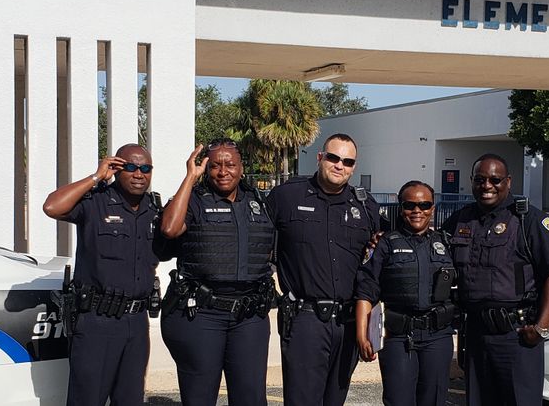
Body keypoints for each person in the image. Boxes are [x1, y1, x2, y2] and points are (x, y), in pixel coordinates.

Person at [442, 154, 549, 406]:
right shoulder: (460, 220)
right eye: (480, 179)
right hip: (475, 335)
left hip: (517, 336)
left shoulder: (528, 220)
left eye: (495, 179)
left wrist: (542, 328)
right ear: (471, 181)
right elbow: (430, 249)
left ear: (508, 182)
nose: (487, 186)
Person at [266, 133, 385, 406]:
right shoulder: (286, 196)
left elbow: (383, 251)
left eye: (347, 161)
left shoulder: (366, 206)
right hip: (306, 320)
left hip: (349, 322)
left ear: (354, 167)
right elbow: (258, 243)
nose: (339, 165)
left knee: (335, 400)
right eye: (333, 157)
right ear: (320, 158)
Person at [156, 140, 277, 406]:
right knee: (199, 396)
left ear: (242, 168)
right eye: (215, 166)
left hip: (249, 316)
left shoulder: (259, 202)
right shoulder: (195, 200)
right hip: (202, 314)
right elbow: (169, 229)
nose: (223, 171)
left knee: (251, 397)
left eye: (230, 164)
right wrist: (190, 177)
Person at [42, 144, 161, 406]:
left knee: (130, 399)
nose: (139, 174)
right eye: (130, 167)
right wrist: (96, 177)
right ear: (117, 169)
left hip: (137, 321)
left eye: (145, 168)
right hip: (98, 320)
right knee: (88, 398)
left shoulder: (154, 210)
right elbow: (52, 207)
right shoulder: (95, 202)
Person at [355, 180, 456, 406]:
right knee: (398, 400)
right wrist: (362, 335)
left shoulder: (446, 243)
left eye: (424, 205)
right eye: (410, 205)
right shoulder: (384, 244)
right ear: (401, 208)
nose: (417, 211)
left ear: (433, 208)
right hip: (399, 338)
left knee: (434, 400)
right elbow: (366, 290)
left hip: (437, 337)